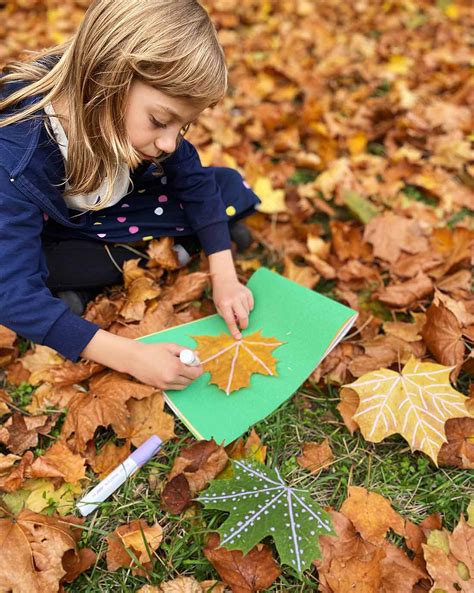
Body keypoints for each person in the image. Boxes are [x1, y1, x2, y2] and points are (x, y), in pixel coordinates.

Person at [0, 0, 260, 391]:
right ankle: (78, 293)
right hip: (42, 236)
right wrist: (132, 356)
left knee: (221, 184)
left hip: (101, 211)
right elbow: (11, 291)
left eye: (182, 127)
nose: (171, 142)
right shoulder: (15, 155)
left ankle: (184, 243)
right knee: (30, 279)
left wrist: (224, 273)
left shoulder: (120, 122)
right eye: (159, 121)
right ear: (107, 77)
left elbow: (191, 175)